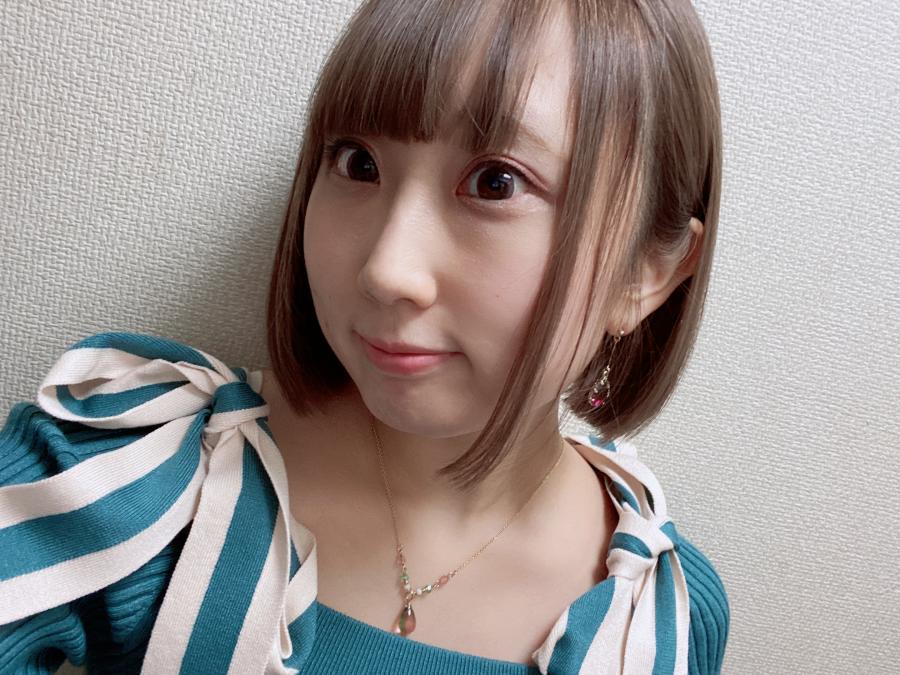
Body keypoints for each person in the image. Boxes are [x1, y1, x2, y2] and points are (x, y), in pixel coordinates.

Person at [0, 0, 729, 673]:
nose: (386, 269)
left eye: (496, 183)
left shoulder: (660, 620)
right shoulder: (129, 479)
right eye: (358, 163)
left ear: (647, 271)